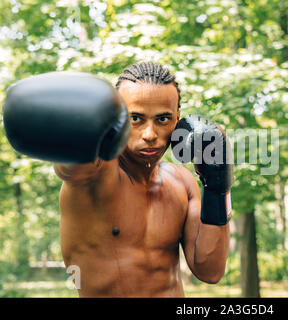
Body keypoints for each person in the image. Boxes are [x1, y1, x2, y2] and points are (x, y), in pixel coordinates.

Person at [2, 62, 233, 297]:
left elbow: (210, 271)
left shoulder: (183, 182)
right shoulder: (95, 175)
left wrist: (217, 185)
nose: (150, 134)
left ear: (178, 120)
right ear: (117, 119)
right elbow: (70, 168)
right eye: (136, 118)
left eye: (163, 119)